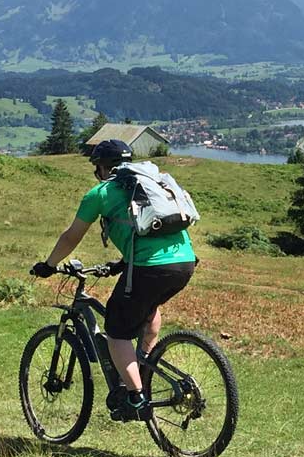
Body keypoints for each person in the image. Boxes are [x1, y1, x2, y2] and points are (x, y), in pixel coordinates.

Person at [31, 139, 197, 422]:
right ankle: (143, 365)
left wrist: (49, 265)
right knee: (148, 308)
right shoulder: (150, 184)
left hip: (149, 267)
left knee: (117, 332)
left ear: (101, 168)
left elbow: (72, 236)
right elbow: (144, 229)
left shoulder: (102, 192)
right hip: (184, 262)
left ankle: (136, 397)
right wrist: (123, 262)